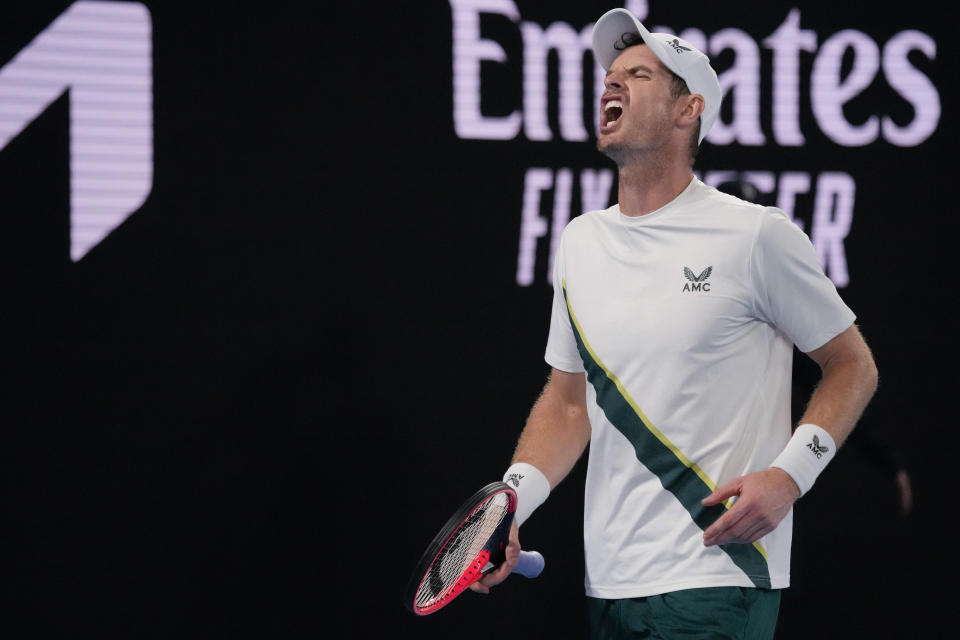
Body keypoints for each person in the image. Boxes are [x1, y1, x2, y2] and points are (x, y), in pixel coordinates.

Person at [469, 8, 879, 639]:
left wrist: (790, 476)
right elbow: (568, 402)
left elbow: (852, 365)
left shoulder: (755, 234)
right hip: (609, 585)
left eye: (637, 74)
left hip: (718, 580)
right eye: (610, 74)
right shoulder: (581, 241)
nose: (612, 84)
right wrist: (509, 503)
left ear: (688, 111)